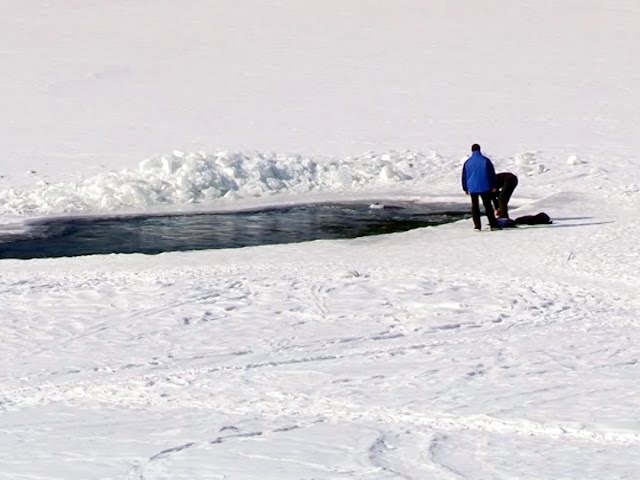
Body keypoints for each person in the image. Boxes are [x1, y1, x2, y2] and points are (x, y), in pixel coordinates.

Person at [461, 144, 499, 231]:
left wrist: (465, 188)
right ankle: (493, 225)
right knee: (488, 206)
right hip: (485, 187)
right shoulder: (485, 161)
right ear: (479, 150)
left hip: (472, 188)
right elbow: (491, 174)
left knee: (475, 207)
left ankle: (477, 226)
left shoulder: (467, 162)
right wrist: (493, 185)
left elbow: (464, 176)